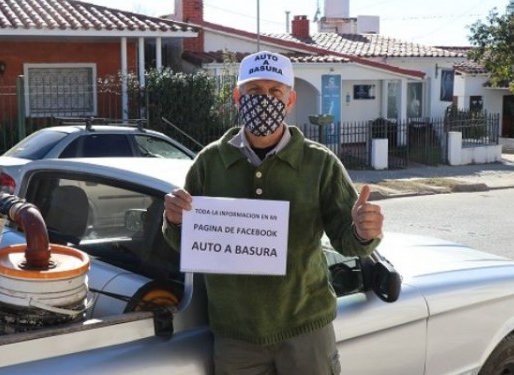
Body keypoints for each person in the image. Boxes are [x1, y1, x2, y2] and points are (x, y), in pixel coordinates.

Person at [162, 51, 384, 375]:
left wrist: (365, 232)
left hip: (306, 331)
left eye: (274, 92)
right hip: (235, 338)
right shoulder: (209, 163)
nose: (264, 100)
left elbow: (345, 238)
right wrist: (174, 220)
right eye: (253, 92)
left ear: (290, 100)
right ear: (238, 97)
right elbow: (187, 242)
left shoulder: (320, 164)